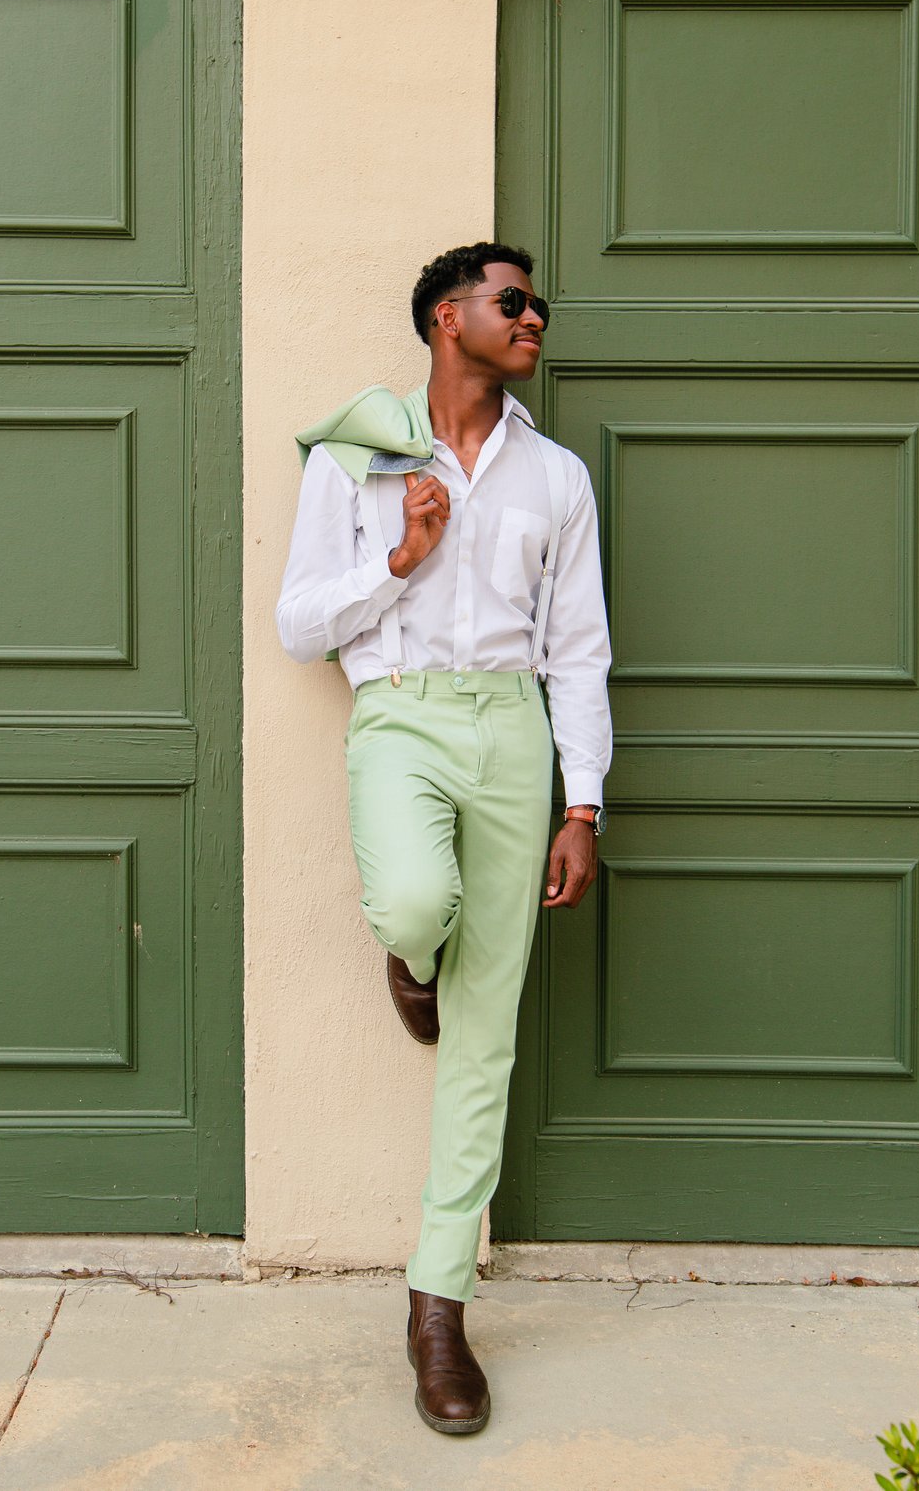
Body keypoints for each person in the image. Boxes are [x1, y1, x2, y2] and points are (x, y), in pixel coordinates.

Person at [275, 241, 614, 1434]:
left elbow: (577, 647)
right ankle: (410, 956)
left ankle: (437, 1306)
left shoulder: (555, 476)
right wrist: (397, 560)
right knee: (416, 902)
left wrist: (582, 805)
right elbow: (297, 624)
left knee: (486, 1034)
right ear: (444, 317)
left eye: (536, 305)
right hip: (401, 716)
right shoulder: (355, 458)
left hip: (512, 731)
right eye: (511, 301)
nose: (533, 319)